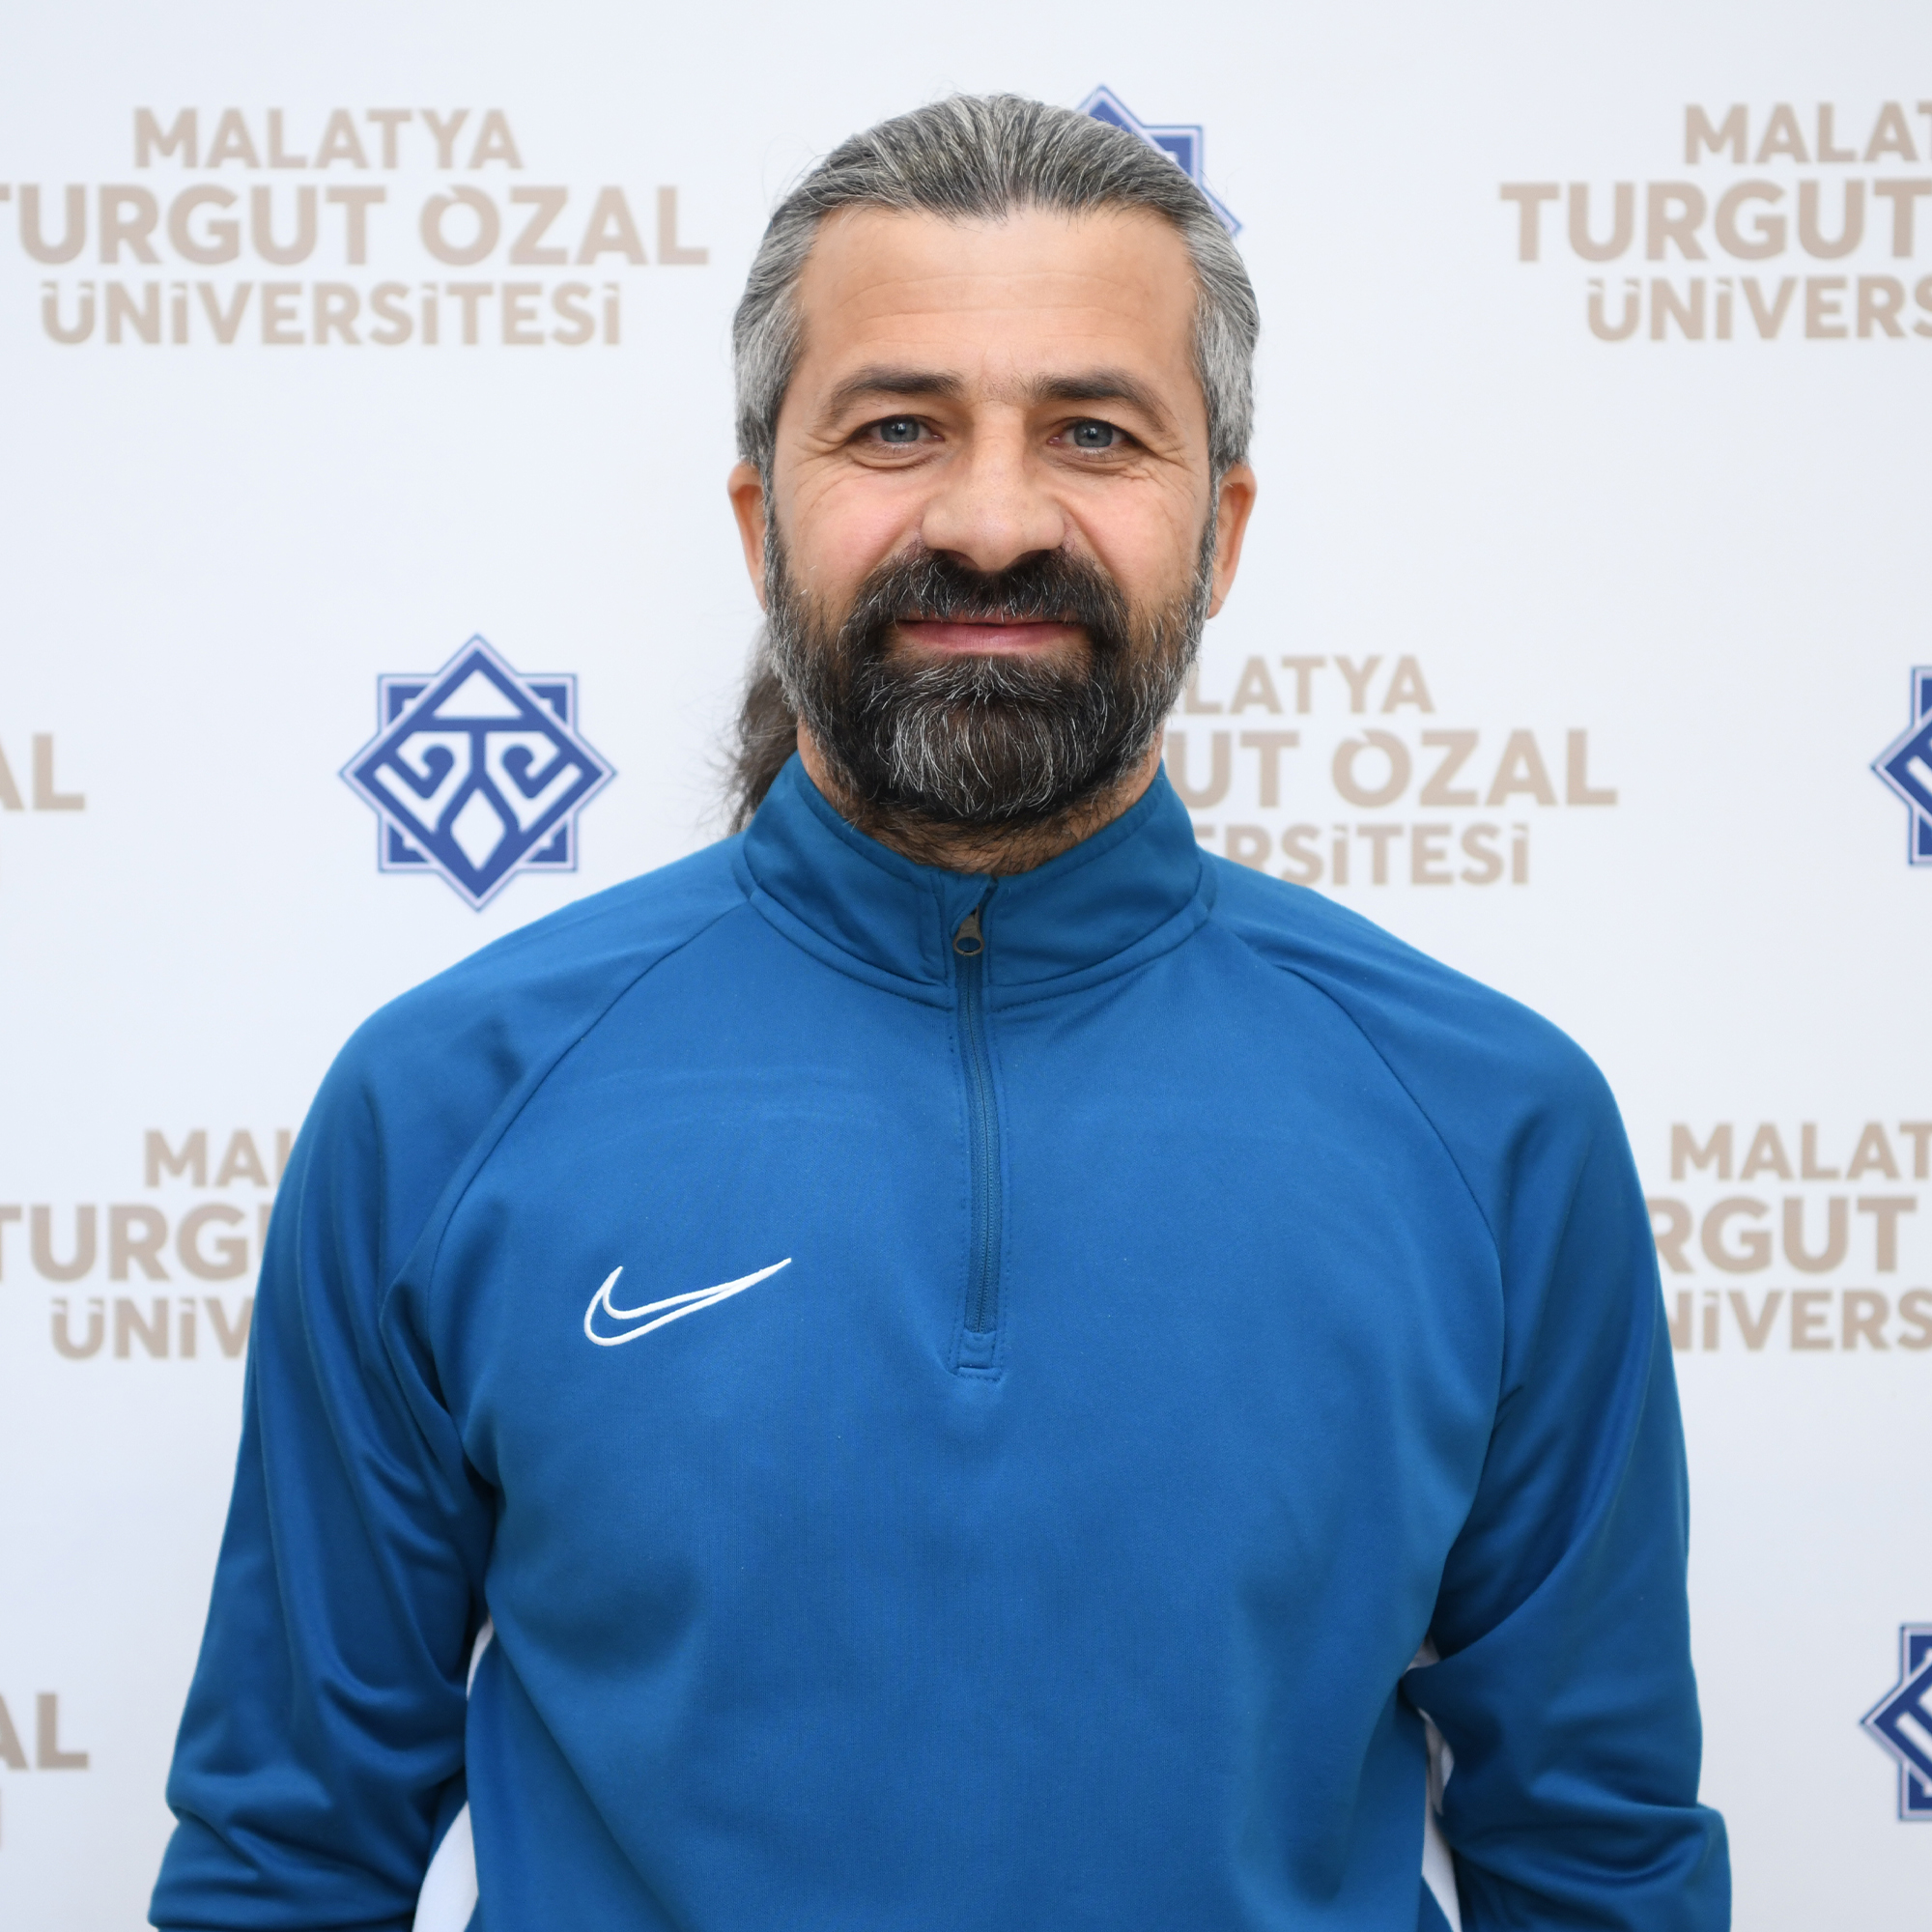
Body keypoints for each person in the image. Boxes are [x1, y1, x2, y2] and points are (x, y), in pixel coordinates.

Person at [152, 95, 1728, 1932]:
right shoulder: (441, 1108)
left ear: (1219, 530)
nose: (991, 522)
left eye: (1094, 432)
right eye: (898, 427)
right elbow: (287, 1859)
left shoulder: (1495, 1128)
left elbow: (1599, 1859)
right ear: (762, 518)